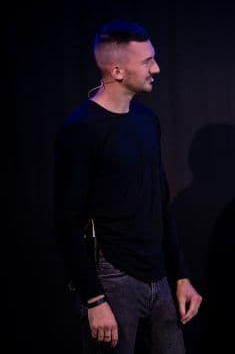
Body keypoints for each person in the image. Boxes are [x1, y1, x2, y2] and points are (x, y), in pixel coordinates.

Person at [54, 21, 202, 353]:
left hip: (159, 278)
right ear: (118, 70)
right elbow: (66, 221)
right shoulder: (82, 130)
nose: (157, 68)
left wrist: (180, 275)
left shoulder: (146, 121)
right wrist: (93, 299)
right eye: (147, 61)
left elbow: (160, 201)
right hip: (112, 280)